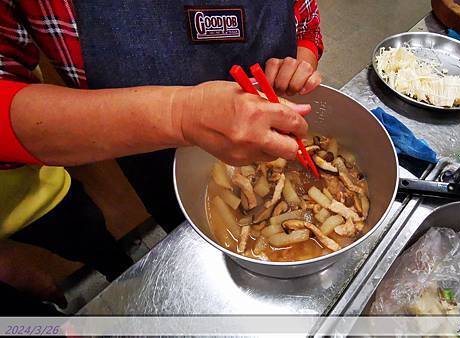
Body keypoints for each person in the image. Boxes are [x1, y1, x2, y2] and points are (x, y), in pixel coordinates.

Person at [0, 0, 323, 314]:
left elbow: (305, 21)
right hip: (157, 160)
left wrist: (299, 65)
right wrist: (177, 115)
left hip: (278, 124)